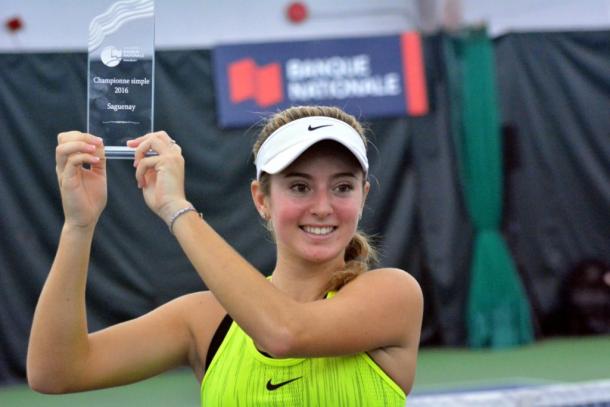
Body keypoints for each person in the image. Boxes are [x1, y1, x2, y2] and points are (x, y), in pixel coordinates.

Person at [27, 105, 423, 405]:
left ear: (363, 196)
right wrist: (79, 226)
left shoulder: (392, 294)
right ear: (261, 199)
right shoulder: (204, 321)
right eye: (300, 187)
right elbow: (56, 371)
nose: (322, 206)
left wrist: (175, 208)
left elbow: (285, 332)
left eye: (341, 187)